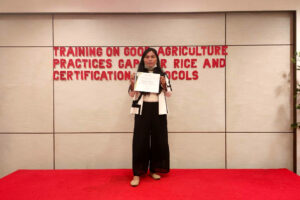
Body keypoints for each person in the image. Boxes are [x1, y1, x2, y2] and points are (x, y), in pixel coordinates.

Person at [128, 47, 172, 187]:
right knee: (140, 141)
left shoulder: (163, 75)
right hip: (142, 110)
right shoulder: (138, 75)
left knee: (159, 140)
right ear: (143, 59)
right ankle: (137, 173)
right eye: (147, 57)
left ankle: (153, 170)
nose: (150, 59)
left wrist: (164, 85)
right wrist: (132, 84)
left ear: (157, 59)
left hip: (158, 111)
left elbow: (169, 93)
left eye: (153, 56)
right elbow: (131, 94)